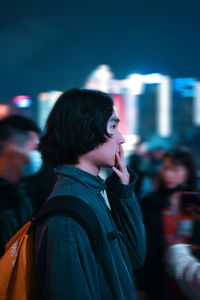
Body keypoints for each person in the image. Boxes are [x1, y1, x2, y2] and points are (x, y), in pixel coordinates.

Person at [35, 88, 146, 300]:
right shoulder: (68, 215)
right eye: (113, 126)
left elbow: (134, 257)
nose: (121, 138)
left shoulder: (93, 192)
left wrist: (123, 193)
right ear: (85, 130)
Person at [136, 147, 198, 300]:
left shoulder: (195, 204)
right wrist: (141, 286)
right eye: (165, 168)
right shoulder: (150, 203)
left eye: (175, 169)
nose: (168, 174)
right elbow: (143, 248)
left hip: (190, 280)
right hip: (159, 279)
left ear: (188, 171)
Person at [0, 115, 44, 256]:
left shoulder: (21, 195)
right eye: (33, 148)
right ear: (12, 149)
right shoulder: (6, 203)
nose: (37, 155)